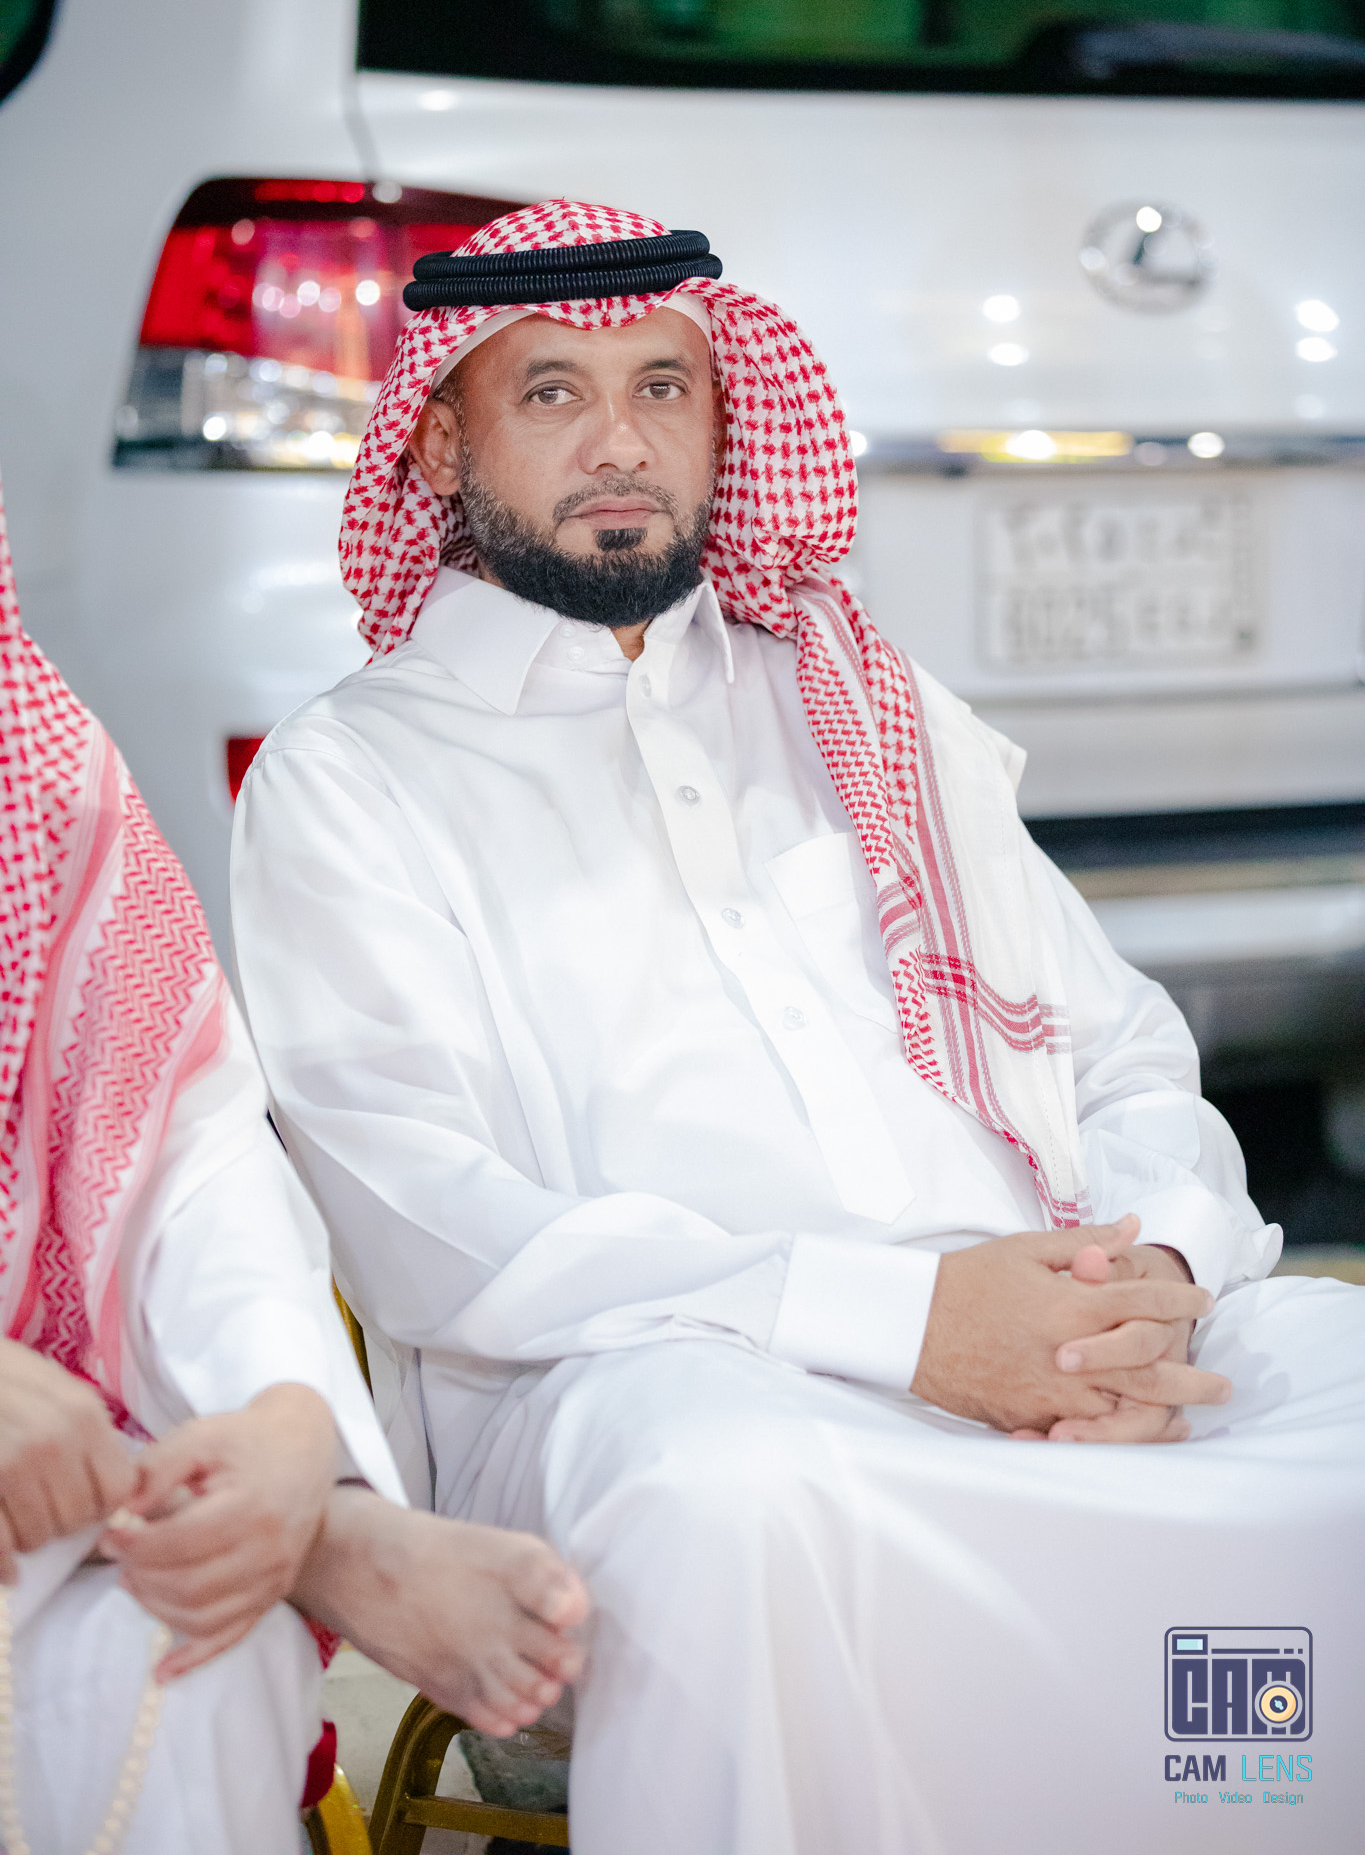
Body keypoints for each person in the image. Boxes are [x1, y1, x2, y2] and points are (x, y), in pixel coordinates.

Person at [230, 201, 1365, 1855]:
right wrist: (909, 1327)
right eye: (549, 393)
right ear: (441, 445)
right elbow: (431, 1231)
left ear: (725, 421)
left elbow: (1119, 1054)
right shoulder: (353, 779)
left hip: (1056, 1330)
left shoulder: (864, 704)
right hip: (658, 1388)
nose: (619, 443)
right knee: (727, 1495)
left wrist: (1147, 1288)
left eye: (662, 388)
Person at [0, 489, 586, 1855]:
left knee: (190, 1643)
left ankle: (290, 1523)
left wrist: (282, 1416)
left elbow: (185, 1149)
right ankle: (322, 1545)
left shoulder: (32, 768)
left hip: (48, 1478)